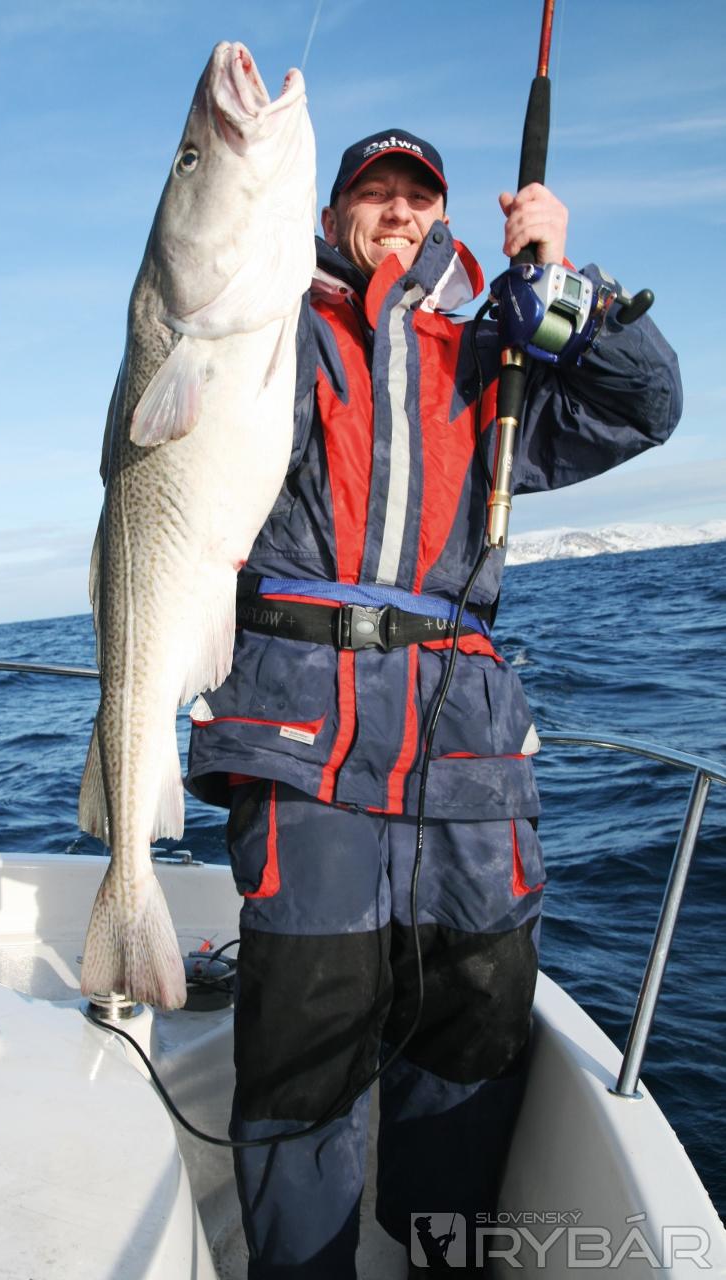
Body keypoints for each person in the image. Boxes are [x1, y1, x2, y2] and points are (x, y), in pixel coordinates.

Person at [186, 128, 682, 1278]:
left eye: (419, 195)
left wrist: (567, 283)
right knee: (304, 1036)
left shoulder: (488, 360)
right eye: (376, 193)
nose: (399, 211)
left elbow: (645, 405)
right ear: (335, 214)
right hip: (307, 743)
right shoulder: (277, 331)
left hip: (467, 752)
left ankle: (438, 1258)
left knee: (476, 1021)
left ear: (443, 218)